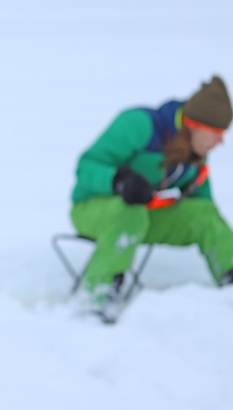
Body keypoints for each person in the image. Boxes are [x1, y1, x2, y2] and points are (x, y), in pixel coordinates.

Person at [70, 75, 233, 318]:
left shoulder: (195, 153)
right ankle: (95, 299)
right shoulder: (139, 124)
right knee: (129, 213)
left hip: (143, 217)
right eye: (216, 132)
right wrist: (119, 181)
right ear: (194, 126)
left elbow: (203, 206)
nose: (221, 141)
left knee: (203, 215)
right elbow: (86, 167)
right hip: (92, 210)